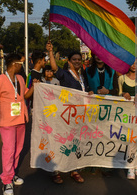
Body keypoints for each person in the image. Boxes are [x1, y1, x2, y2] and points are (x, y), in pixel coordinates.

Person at [0, 53, 37, 195]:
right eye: (21, 63)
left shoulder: (21, 79)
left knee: (18, 149)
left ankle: (12, 173)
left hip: (21, 119)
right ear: (14, 64)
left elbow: (25, 96)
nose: (22, 66)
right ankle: (6, 181)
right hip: (7, 122)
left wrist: (34, 86)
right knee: (9, 150)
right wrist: (3, 113)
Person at [46, 41, 93, 184]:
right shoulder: (65, 74)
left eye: (79, 60)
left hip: (80, 115)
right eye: (74, 60)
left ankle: (74, 170)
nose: (77, 62)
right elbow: (54, 68)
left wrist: (89, 92)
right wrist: (50, 52)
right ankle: (56, 171)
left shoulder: (82, 76)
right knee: (61, 142)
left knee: (75, 143)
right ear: (69, 61)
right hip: (66, 115)